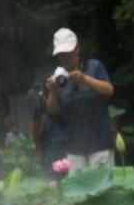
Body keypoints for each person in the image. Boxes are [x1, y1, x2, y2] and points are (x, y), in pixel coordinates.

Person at [45, 28, 115, 173]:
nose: (65, 58)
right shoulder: (58, 77)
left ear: (77, 48)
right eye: (61, 55)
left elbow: (109, 90)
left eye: (68, 53)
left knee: (102, 184)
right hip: (74, 146)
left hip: (100, 143)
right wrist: (52, 91)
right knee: (77, 186)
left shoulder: (94, 66)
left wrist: (85, 79)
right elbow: (54, 112)